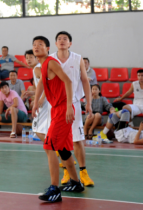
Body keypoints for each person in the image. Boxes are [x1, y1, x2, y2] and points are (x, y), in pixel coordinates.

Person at [31, 36, 84, 203]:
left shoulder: (51, 62)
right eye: (34, 45)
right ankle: (76, 182)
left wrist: (68, 106)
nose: (36, 47)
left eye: (40, 44)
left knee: (49, 147)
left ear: (48, 48)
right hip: (56, 109)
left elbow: (68, 81)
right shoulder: (43, 66)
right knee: (62, 149)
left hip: (63, 109)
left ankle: (54, 189)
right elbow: (41, 84)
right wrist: (35, 102)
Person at [50, 32, 94, 187]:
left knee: (77, 140)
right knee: (60, 141)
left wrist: (88, 103)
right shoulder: (51, 59)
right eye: (59, 39)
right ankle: (67, 171)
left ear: (70, 43)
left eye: (65, 39)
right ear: (56, 43)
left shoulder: (77, 58)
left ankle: (83, 172)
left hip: (74, 104)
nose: (62, 41)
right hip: (56, 105)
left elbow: (85, 81)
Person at [106, 69, 143, 140]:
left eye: (142, 75)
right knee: (125, 107)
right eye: (139, 75)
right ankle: (130, 124)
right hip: (136, 105)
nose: (140, 77)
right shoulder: (134, 84)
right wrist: (121, 98)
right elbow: (129, 92)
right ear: (137, 76)